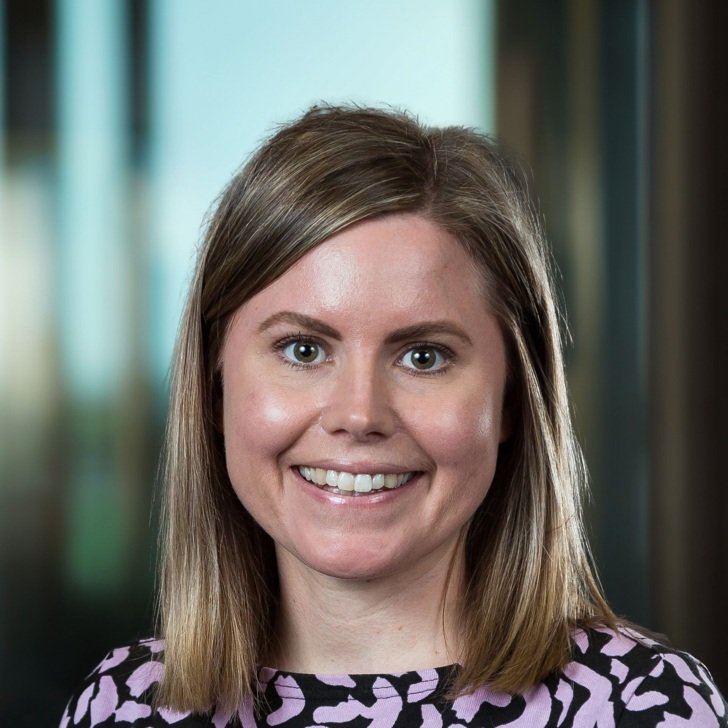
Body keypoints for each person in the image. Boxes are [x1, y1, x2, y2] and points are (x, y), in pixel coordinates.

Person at [60, 106, 727, 727]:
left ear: (511, 403)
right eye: (303, 349)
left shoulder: (648, 709)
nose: (359, 414)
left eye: (424, 356)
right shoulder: (122, 708)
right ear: (214, 389)